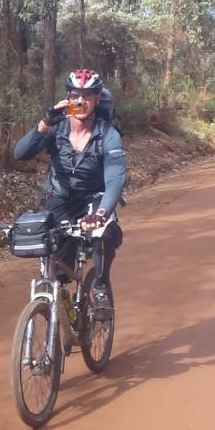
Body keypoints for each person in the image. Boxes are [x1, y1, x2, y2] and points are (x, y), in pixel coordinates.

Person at [12, 69, 126, 320]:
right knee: (48, 247)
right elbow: (20, 154)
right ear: (67, 97)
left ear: (97, 99)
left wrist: (100, 213)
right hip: (61, 198)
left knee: (104, 232)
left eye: (88, 95)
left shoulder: (109, 135)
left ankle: (100, 284)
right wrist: (44, 123)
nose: (81, 101)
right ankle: (61, 302)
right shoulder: (56, 129)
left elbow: (115, 180)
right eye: (76, 95)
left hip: (95, 198)